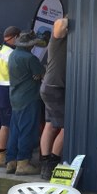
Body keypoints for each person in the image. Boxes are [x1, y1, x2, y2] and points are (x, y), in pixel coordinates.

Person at [5, 31, 45, 175]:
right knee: (27, 130)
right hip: (29, 98)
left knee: (15, 130)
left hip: (15, 98)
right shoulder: (30, 58)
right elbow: (42, 74)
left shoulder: (13, 55)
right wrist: (37, 75)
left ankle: (11, 161)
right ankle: (23, 162)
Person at [39, 17, 69, 180]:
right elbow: (59, 24)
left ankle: (45, 161)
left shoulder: (63, 42)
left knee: (50, 125)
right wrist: (69, 19)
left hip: (49, 87)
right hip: (55, 88)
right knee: (67, 127)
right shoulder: (56, 40)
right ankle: (52, 162)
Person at [0, 26, 20, 168]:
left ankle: (2, 154)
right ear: (15, 37)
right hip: (6, 93)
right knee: (8, 125)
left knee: (4, 124)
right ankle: (3, 156)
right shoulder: (11, 54)